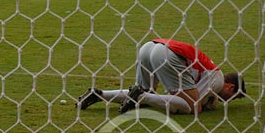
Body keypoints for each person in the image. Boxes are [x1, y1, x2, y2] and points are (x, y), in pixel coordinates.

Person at [77, 39, 246, 115]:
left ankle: (100, 94)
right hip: (168, 54)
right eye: (232, 97)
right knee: (191, 108)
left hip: (149, 47)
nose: (227, 101)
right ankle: (142, 95)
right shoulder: (217, 78)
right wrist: (204, 103)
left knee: (144, 91)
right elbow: (193, 105)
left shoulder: (207, 69)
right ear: (230, 87)